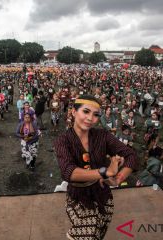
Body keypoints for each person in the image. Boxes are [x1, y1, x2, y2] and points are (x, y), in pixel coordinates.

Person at [54, 95, 138, 240]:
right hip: (78, 196)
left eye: (96, 114)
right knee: (87, 234)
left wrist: (118, 178)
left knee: (99, 233)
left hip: (103, 195)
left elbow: (132, 156)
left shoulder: (103, 136)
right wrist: (105, 171)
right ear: (74, 112)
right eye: (86, 112)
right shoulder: (63, 140)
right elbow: (68, 171)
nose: (90, 118)